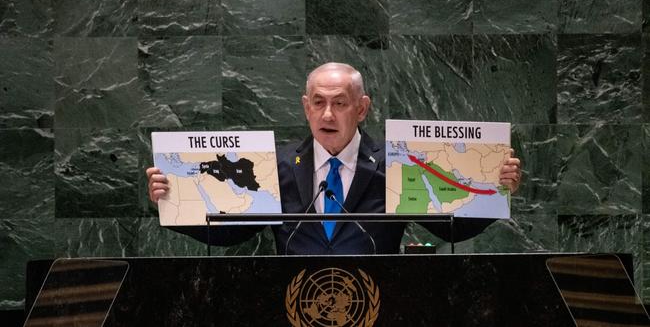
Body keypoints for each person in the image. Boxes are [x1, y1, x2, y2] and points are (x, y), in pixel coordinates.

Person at [146, 62, 522, 255]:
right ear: (306, 107)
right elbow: (233, 232)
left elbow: (448, 228)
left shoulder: (396, 163)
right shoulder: (276, 165)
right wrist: (173, 202)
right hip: (294, 304)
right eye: (319, 103)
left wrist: (493, 191)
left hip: (376, 305)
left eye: (340, 104)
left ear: (361, 109)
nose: (328, 115)